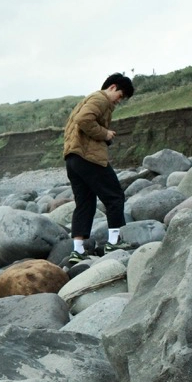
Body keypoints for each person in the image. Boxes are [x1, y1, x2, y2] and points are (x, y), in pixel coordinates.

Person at [62, 72, 134, 263]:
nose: (119, 101)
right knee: (115, 196)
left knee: (85, 203)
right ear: (112, 87)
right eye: (120, 96)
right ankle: (114, 241)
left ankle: (77, 251)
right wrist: (105, 134)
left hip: (73, 159)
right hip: (89, 157)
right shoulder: (100, 99)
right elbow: (84, 120)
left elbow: (77, 123)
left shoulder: (86, 100)